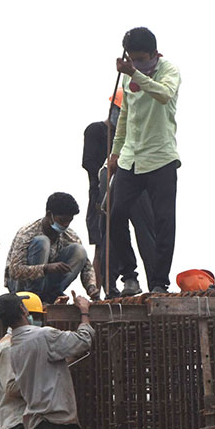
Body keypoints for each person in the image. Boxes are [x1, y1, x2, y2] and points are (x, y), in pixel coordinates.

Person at [108, 27, 181, 294]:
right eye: (131, 58)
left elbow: (164, 95)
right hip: (131, 158)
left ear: (153, 53)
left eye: (140, 59)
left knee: (164, 220)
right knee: (116, 216)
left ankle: (160, 281)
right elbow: (125, 116)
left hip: (161, 157)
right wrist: (116, 152)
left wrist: (134, 73)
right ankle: (129, 275)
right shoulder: (128, 78)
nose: (134, 63)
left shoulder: (169, 71)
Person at [0, 291, 94, 429]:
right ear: (23, 309)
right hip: (58, 424)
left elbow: (38, 367)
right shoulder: (43, 336)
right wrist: (84, 312)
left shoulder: (14, 346)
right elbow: (84, 340)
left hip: (35, 427)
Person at [82, 89, 156, 297]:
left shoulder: (137, 137)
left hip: (136, 188)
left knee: (147, 235)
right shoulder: (97, 131)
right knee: (105, 240)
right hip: (102, 189)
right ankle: (107, 289)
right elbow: (90, 164)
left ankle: (154, 283)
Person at [4, 192, 99, 303]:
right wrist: (46, 268)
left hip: (48, 287)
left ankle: (52, 294)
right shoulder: (27, 233)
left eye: (69, 221)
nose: (65, 225)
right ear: (49, 215)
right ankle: (35, 296)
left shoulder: (69, 235)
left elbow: (86, 266)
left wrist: (91, 287)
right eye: (62, 221)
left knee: (79, 250)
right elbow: (15, 271)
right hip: (22, 288)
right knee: (42, 241)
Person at [0, 291, 44, 429]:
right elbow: (12, 388)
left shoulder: (23, 343)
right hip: (18, 424)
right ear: (23, 311)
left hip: (29, 422)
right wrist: (41, 376)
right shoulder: (7, 347)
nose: (37, 321)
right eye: (34, 316)